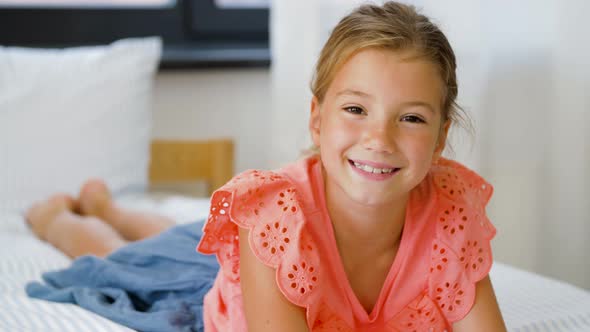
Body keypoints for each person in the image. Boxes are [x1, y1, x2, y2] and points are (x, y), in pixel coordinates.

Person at [26, 1, 507, 331]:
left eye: (411, 118)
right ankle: (64, 218)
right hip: (244, 283)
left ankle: (106, 205)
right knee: (130, 262)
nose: (378, 139)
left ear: (442, 137)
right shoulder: (274, 214)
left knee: (179, 240)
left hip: (256, 262)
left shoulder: (450, 211)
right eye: (356, 109)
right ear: (317, 120)